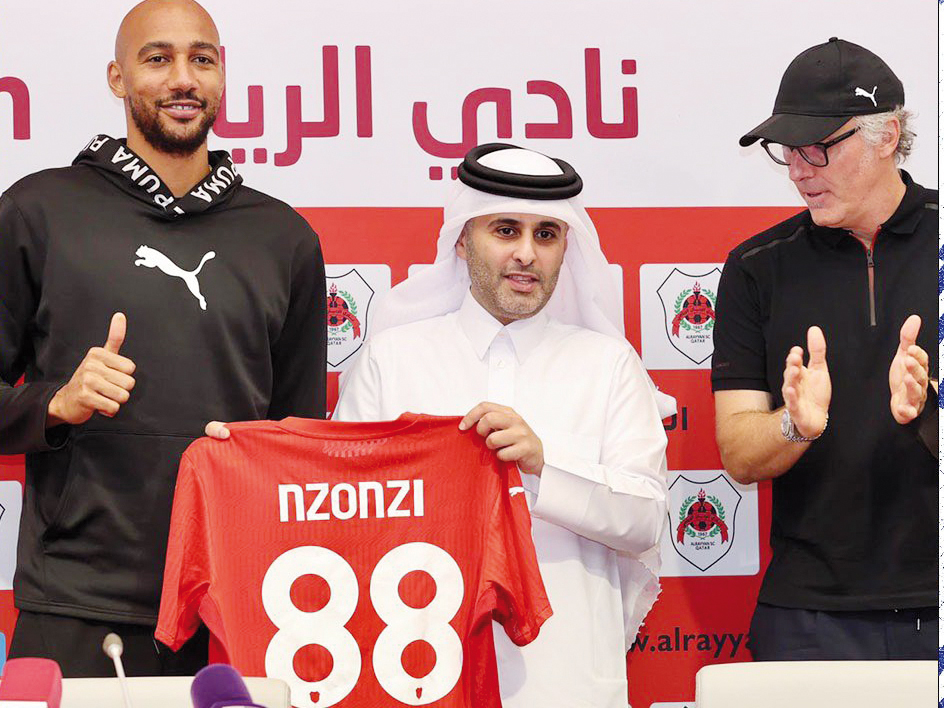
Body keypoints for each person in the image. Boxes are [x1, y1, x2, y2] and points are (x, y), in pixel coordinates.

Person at [0, 0, 326, 676]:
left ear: (222, 77)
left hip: (238, 604)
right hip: (75, 604)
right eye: (159, 58)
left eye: (201, 59)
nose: (184, 78)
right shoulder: (37, 211)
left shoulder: (284, 238)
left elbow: (298, 442)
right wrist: (55, 403)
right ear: (118, 78)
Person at [333, 143, 670, 707]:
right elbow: (344, 517)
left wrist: (542, 466)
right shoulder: (394, 360)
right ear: (463, 242)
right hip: (418, 671)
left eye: (546, 235)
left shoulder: (609, 364)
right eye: (506, 230)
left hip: (567, 676)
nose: (526, 255)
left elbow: (645, 521)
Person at [712, 37, 936, 661]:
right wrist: (794, 426)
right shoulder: (756, 268)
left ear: (887, 135)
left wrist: (929, 415)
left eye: (817, 149)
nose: (798, 170)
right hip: (808, 615)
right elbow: (739, 454)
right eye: (786, 152)